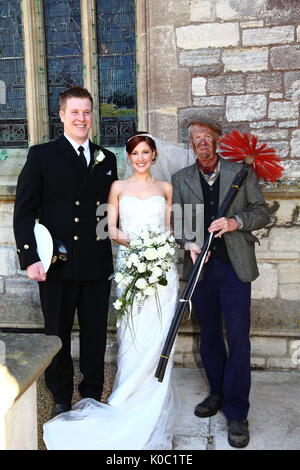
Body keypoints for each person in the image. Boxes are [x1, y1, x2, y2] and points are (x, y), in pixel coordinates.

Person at [42, 132, 180, 450]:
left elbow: (169, 229)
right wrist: (141, 245)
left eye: (146, 152)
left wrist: (162, 247)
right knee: (134, 336)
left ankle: (155, 396)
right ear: (128, 157)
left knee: (160, 335)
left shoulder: (166, 189)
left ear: (154, 155)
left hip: (162, 273)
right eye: (135, 153)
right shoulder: (117, 187)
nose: (141, 158)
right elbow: (109, 229)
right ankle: (128, 395)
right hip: (133, 266)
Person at [13, 86, 118, 418]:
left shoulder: (107, 158)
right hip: (55, 264)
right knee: (56, 333)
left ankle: (90, 393)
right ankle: (60, 395)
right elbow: (24, 212)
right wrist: (30, 258)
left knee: (94, 334)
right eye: (75, 112)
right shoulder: (42, 155)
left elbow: (108, 211)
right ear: (61, 116)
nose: (81, 119)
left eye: (86, 112)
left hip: (95, 261)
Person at [172, 120, 270, 448]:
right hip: (201, 270)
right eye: (195, 138)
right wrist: (191, 242)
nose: (201, 142)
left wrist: (235, 221)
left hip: (235, 269)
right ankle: (217, 391)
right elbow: (180, 224)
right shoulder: (181, 179)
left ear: (216, 140)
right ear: (191, 144)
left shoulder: (241, 172)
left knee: (239, 338)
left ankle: (237, 410)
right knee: (210, 336)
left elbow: (262, 213)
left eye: (206, 137)